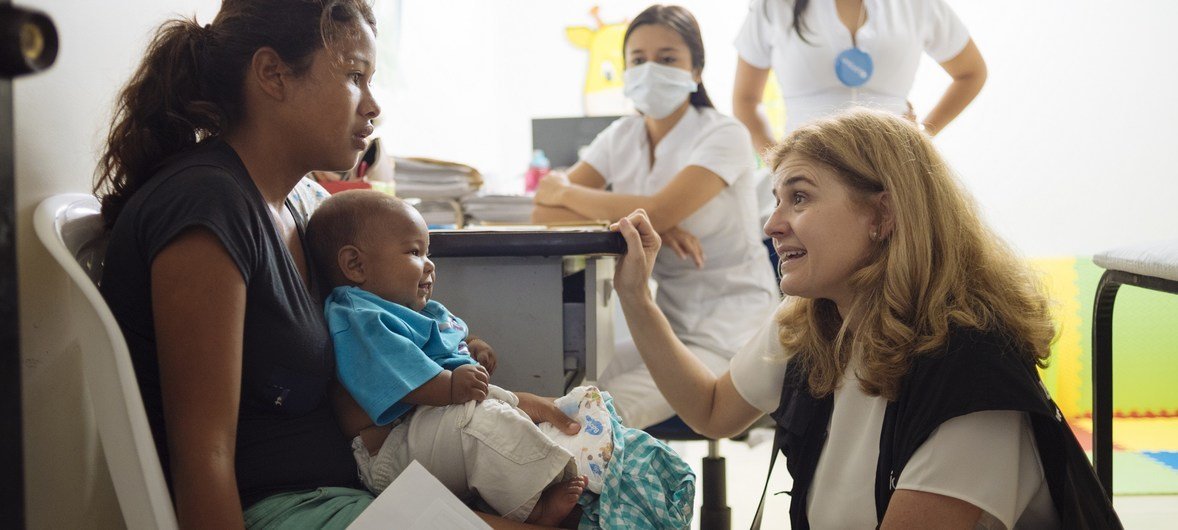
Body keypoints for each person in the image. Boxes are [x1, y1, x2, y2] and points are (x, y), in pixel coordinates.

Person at [94, 2, 578, 528]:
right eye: (354, 76)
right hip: (293, 510)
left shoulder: (301, 205)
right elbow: (203, 459)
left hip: (352, 492)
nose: (373, 106)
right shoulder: (207, 207)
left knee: (580, 486)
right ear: (273, 74)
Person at [607, 110, 1122, 528]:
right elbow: (713, 410)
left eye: (800, 197)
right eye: (776, 200)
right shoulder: (814, 321)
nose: (772, 224)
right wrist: (636, 297)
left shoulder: (972, 375)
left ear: (883, 215)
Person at [532, 4, 778, 429]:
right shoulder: (623, 135)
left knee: (601, 415)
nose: (651, 70)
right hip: (668, 324)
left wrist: (571, 191)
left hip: (731, 328)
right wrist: (661, 220)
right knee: (561, 388)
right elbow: (543, 212)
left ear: (696, 70)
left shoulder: (725, 133)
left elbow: (656, 209)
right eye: (638, 60)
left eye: (667, 59)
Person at [305, 190, 589, 526]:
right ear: (356, 265)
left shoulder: (414, 309)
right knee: (480, 424)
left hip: (427, 429)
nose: (429, 264)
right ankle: (537, 506)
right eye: (414, 252)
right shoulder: (359, 318)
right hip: (390, 454)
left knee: (504, 409)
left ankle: (564, 457)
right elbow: (403, 377)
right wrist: (453, 385)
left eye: (428, 252)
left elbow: (451, 335)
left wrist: (474, 344)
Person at [733, 0, 988, 148]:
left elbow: (971, 72)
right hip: (807, 167)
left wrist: (922, 136)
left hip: (892, 169)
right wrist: (778, 161)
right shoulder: (774, 6)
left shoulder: (917, 5)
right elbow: (745, 99)